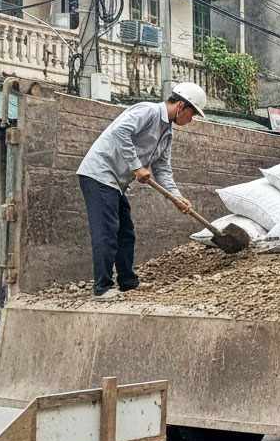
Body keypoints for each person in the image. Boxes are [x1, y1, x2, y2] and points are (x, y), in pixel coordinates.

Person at [76, 82, 206, 297]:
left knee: (126, 233)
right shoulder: (148, 111)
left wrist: (177, 197)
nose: (191, 121)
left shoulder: (167, 133)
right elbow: (120, 131)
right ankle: (102, 287)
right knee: (106, 232)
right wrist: (137, 166)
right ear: (181, 106)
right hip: (98, 174)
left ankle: (127, 282)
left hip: (116, 183)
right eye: (192, 115)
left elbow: (162, 168)